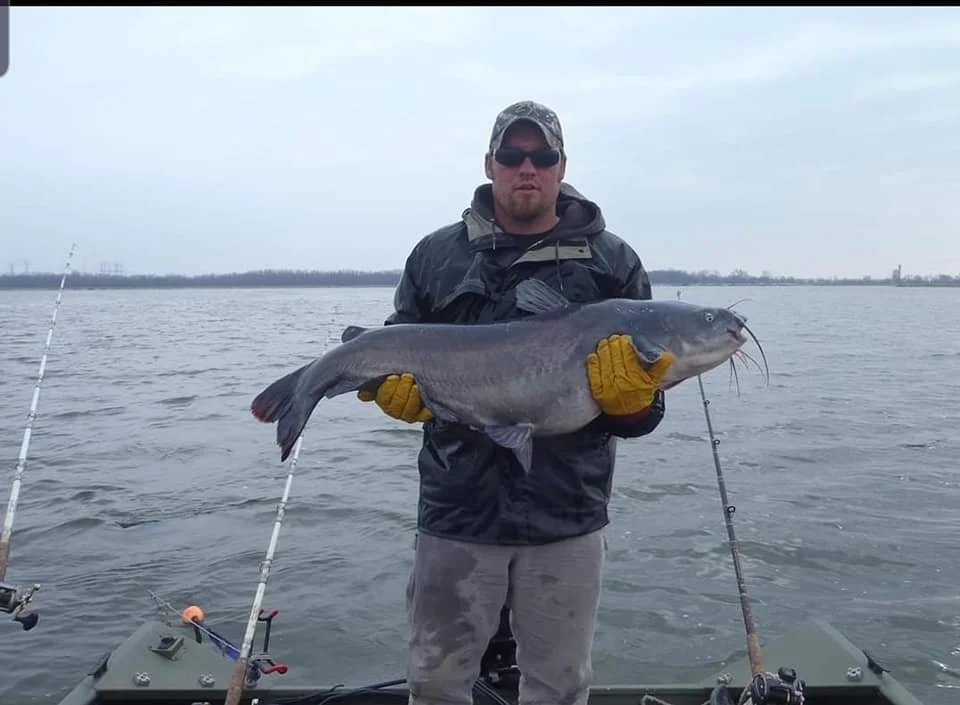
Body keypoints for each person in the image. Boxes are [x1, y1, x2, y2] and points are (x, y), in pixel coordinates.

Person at [358, 100, 673, 705]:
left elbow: (642, 416)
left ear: (560, 166)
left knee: (559, 686)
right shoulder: (435, 257)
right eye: (512, 155)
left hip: (566, 514)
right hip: (458, 510)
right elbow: (396, 354)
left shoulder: (614, 264)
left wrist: (632, 402)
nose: (526, 167)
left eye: (541, 155)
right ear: (490, 164)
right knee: (435, 681)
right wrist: (395, 395)